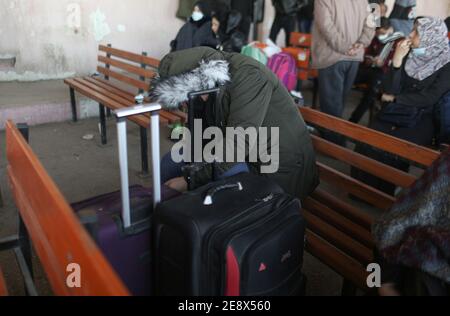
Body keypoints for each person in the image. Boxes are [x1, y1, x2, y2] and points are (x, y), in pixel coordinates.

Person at [150, 47, 319, 201]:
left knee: (217, 181)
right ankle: (166, 222)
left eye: (185, 98)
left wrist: (190, 179)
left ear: (198, 80)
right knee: (170, 163)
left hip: (279, 167)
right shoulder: (209, 89)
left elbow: (237, 145)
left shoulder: (249, 76)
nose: (186, 105)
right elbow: (204, 138)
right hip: (247, 152)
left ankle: (201, 225)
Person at [352, 17, 450, 196]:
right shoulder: (410, 54)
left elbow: (430, 97)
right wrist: (396, 61)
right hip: (397, 110)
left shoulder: (446, 63)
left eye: (416, 32)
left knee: (394, 146)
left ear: (431, 37)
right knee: (370, 137)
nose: (410, 35)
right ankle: (361, 190)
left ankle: (383, 192)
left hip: (423, 117)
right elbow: (389, 89)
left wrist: (396, 99)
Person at [312, 0, 376, 145]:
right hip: (353, 58)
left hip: (332, 56)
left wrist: (344, 47)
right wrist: (361, 43)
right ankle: (334, 140)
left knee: (331, 107)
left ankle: (335, 147)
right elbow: (371, 23)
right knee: (338, 103)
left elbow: (325, 26)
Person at [350, 17, 400, 124]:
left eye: (382, 33)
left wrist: (383, 64)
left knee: (372, 91)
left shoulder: (397, 42)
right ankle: (333, 113)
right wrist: (369, 60)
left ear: (390, 29)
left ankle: (353, 121)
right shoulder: (375, 38)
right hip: (369, 69)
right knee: (349, 77)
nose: (380, 36)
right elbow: (366, 54)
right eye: (377, 33)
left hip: (384, 73)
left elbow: (396, 64)